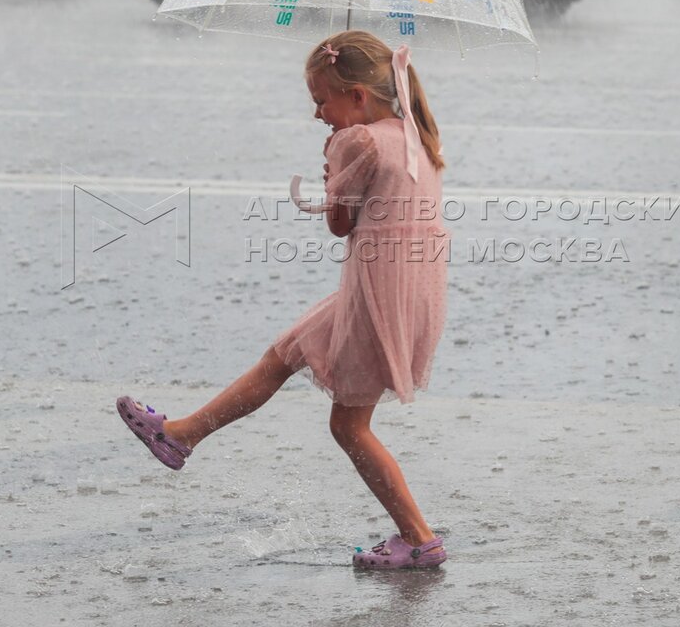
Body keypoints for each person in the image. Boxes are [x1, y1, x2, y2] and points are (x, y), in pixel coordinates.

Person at [117, 30, 450, 570]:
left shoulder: (358, 141)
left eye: (322, 100)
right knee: (285, 353)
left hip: (376, 296)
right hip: (409, 291)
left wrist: (334, 177)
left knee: (348, 426)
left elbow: (341, 226)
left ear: (358, 96)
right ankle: (180, 436)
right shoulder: (413, 133)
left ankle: (419, 538)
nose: (318, 114)